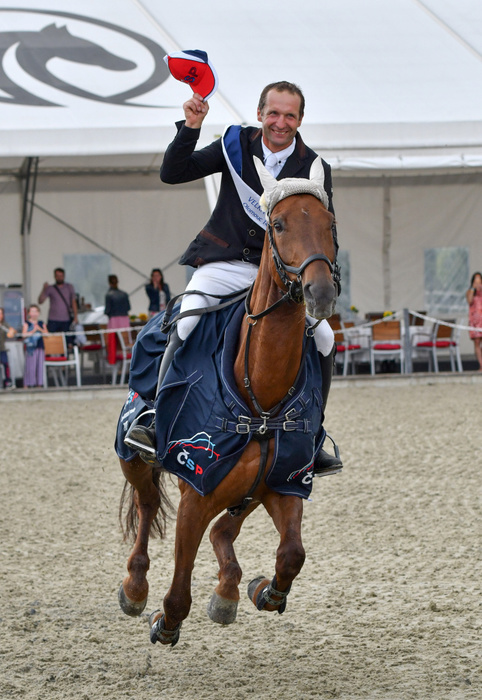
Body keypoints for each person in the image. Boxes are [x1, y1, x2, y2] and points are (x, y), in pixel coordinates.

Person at [126, 81, 342, 474]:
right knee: (187, 320)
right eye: (273, 113)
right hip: (224, 263)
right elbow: (173, 173)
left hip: (278, 274)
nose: (280, 123)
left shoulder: (315, 168)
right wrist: (191, 127)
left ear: (300, 119)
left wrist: (323, 274)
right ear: (260, 114)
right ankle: (156, 417)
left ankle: (315, 434)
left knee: (325, 338)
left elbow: (321, 230)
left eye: (289, 115)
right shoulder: (235, 145)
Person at [38, 267, 78, 334]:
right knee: (51, 338)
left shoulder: (69, 287)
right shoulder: (50, 288)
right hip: (53, 319)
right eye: (57, 276)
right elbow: (40, 301)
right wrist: (44, 289)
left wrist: (75, 317)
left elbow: (74, 302)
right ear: (55, 276)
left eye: (61, 276)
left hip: (66, 319)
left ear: (64, 276)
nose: (59, 278)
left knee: (67, 338)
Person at [22, 304, 47, 388]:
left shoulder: (41, 323)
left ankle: (39, 384)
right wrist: (33, 330)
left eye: (36, 311)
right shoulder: (26, 323)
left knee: (40, 366)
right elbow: (24, 335)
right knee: (30, 366)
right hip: (30, 348)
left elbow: (47, 334)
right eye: (32, 311)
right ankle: (27, 384)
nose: (34, 313)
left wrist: (39, 329)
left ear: (39, 313)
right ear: (29, 313)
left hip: (40, 347)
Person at [466, 271, 482, 371]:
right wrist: (473, 289)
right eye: (475, 282)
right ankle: (481, 365)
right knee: (477, 342)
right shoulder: (470, 292)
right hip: (475, 321)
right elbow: (469, 300)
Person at [0, 307, 16, 388]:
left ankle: (7, 382)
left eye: (0, 313)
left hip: (2, 349)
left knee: (6, 364)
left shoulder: (4, 324)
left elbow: (11, 333)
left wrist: (11, 332)